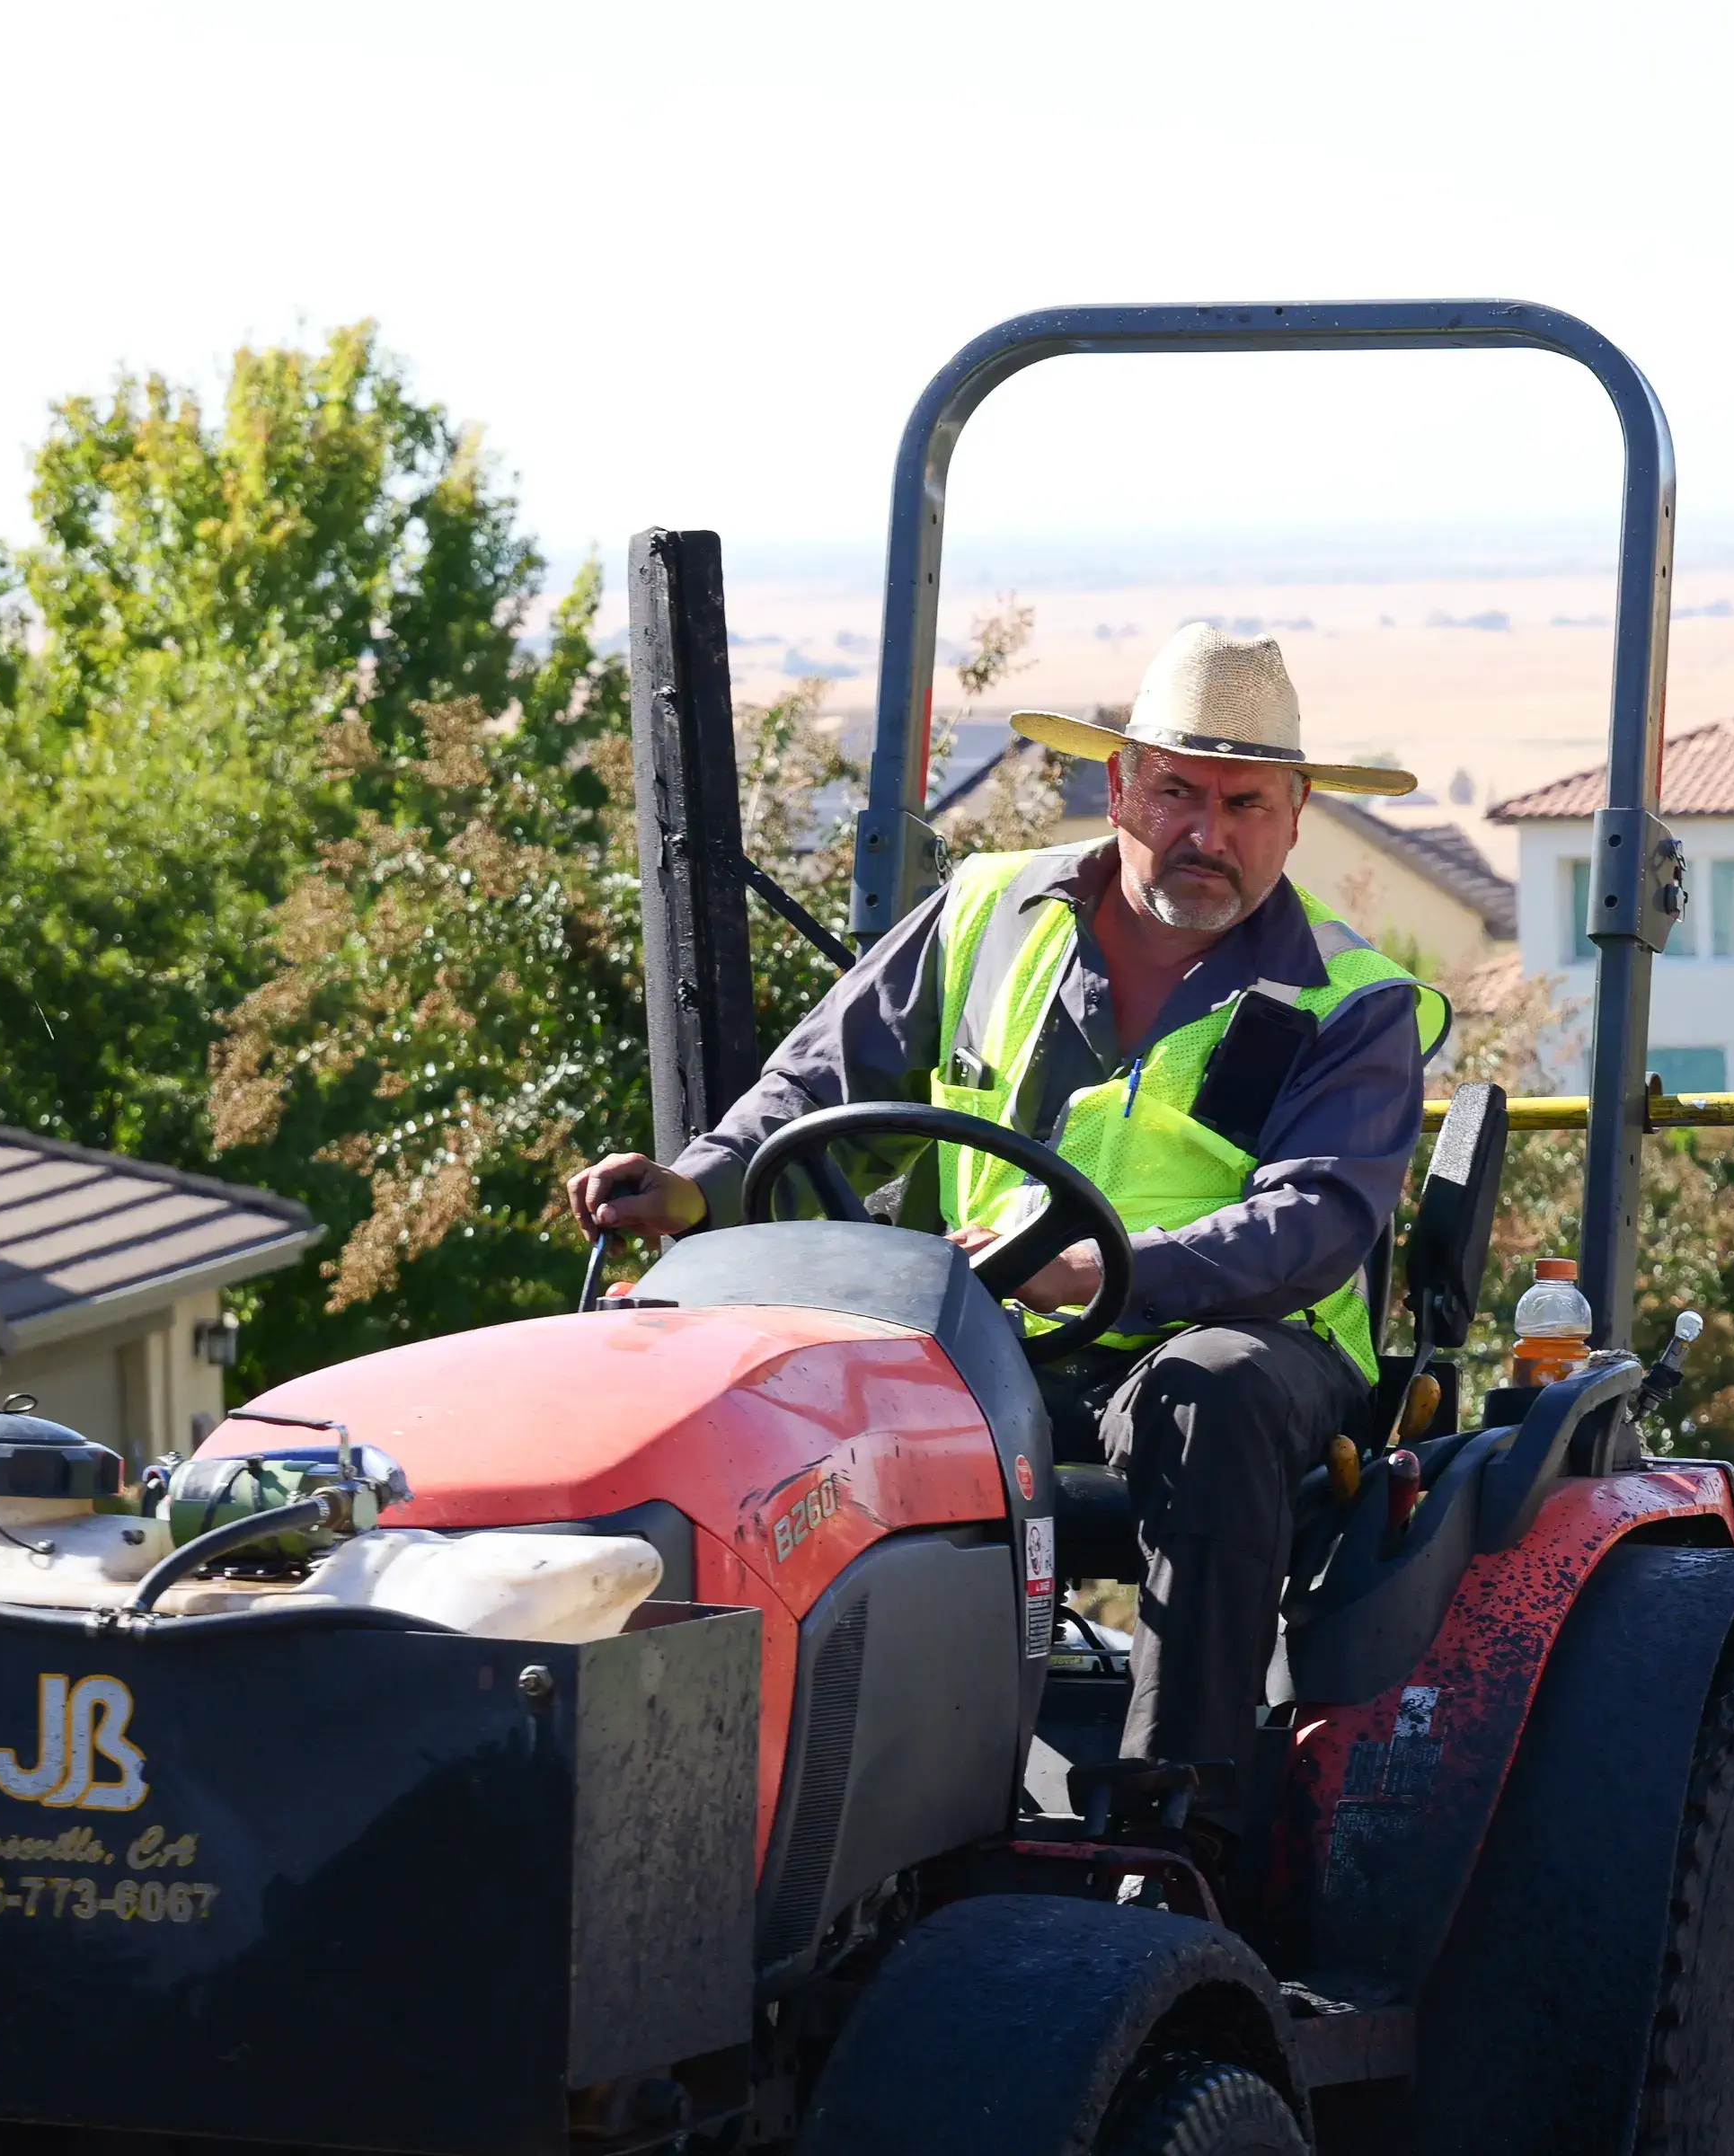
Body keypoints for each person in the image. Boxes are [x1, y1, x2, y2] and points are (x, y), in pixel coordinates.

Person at [568, 623, 1446, 1833]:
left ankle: (1177, 1812)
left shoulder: (1351, 1003)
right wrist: (694, 1185)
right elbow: (820, 1085)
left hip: (1248, 1345)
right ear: (1119, 784)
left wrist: (1108, 1269)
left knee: (1208, 1393)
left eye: (1246, 804)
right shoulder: (986, 914)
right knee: (783, 1401)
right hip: (986, 1334)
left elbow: (1315, 1222)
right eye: (1178, 792)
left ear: (1296, 816)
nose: (1208, 833)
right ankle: (806, 1809)